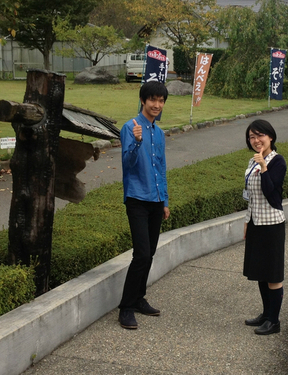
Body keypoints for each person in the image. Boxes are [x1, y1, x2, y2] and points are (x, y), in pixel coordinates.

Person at [118, 81, 170, 330]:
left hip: (156, 201)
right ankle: (126, 307)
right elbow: (127, 164)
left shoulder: (159, 133)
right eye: (153, 100)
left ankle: (139, 299)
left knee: (149, 254)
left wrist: (165, 201)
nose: (157, 105)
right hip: (138, 199)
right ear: (143, 100)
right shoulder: (130, 127)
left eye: (161, 101)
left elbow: (161, 167)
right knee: (140, 254)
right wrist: (137, 142)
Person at [242, 119, 286, 335]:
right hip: (256, 224)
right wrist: (247, 223)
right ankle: (266, 314)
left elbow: (270, 192)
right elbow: (250, 197)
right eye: (252, 136)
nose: (256, 140)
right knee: (260, 272)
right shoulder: (252, 162)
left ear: (271, 137)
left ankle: (274, 322)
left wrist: (264, 166)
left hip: (272, 225)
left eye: (260, 135)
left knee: (273, 274)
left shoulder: (277, 162)